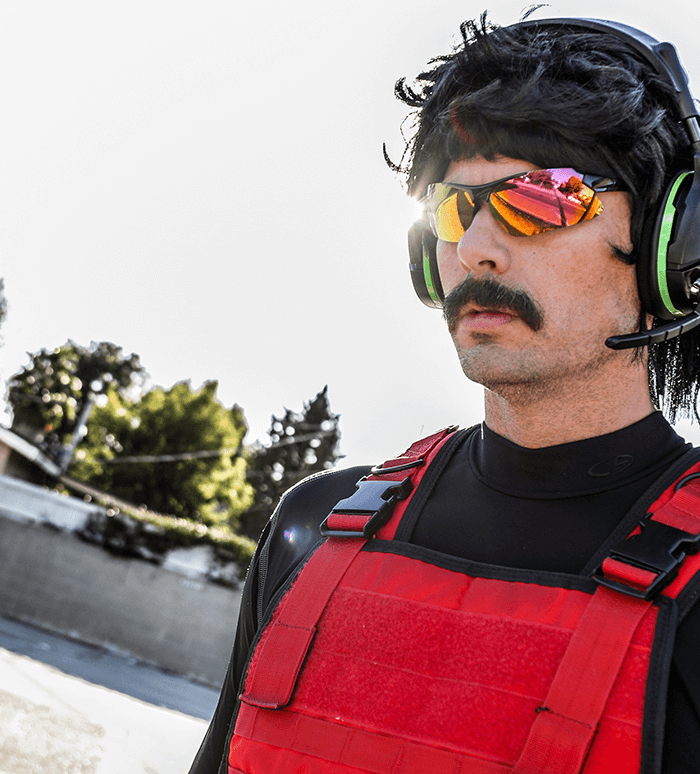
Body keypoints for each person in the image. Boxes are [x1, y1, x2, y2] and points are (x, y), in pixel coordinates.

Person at [190, 14, 700, 774]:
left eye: (543, 197)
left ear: (673, 243)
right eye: (453, 207)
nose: (475, 248)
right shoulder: (312, 525)